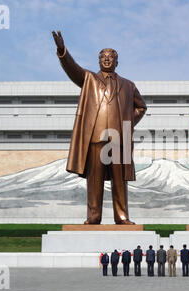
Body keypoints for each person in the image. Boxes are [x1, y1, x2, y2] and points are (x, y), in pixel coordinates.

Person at [52, 31, 147, 225]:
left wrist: (127, 123)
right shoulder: (89, 80)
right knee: (94, 180)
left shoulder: (128, 85)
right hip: (96, 138)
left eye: (110, 57)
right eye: (103, 57)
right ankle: (94, 215)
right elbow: (73, 69)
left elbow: (141, 107)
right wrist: (62, 51)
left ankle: (122, 216)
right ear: (98, 61)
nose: (106, 60)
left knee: (120, 180)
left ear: (116, 62)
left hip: (119, 139)